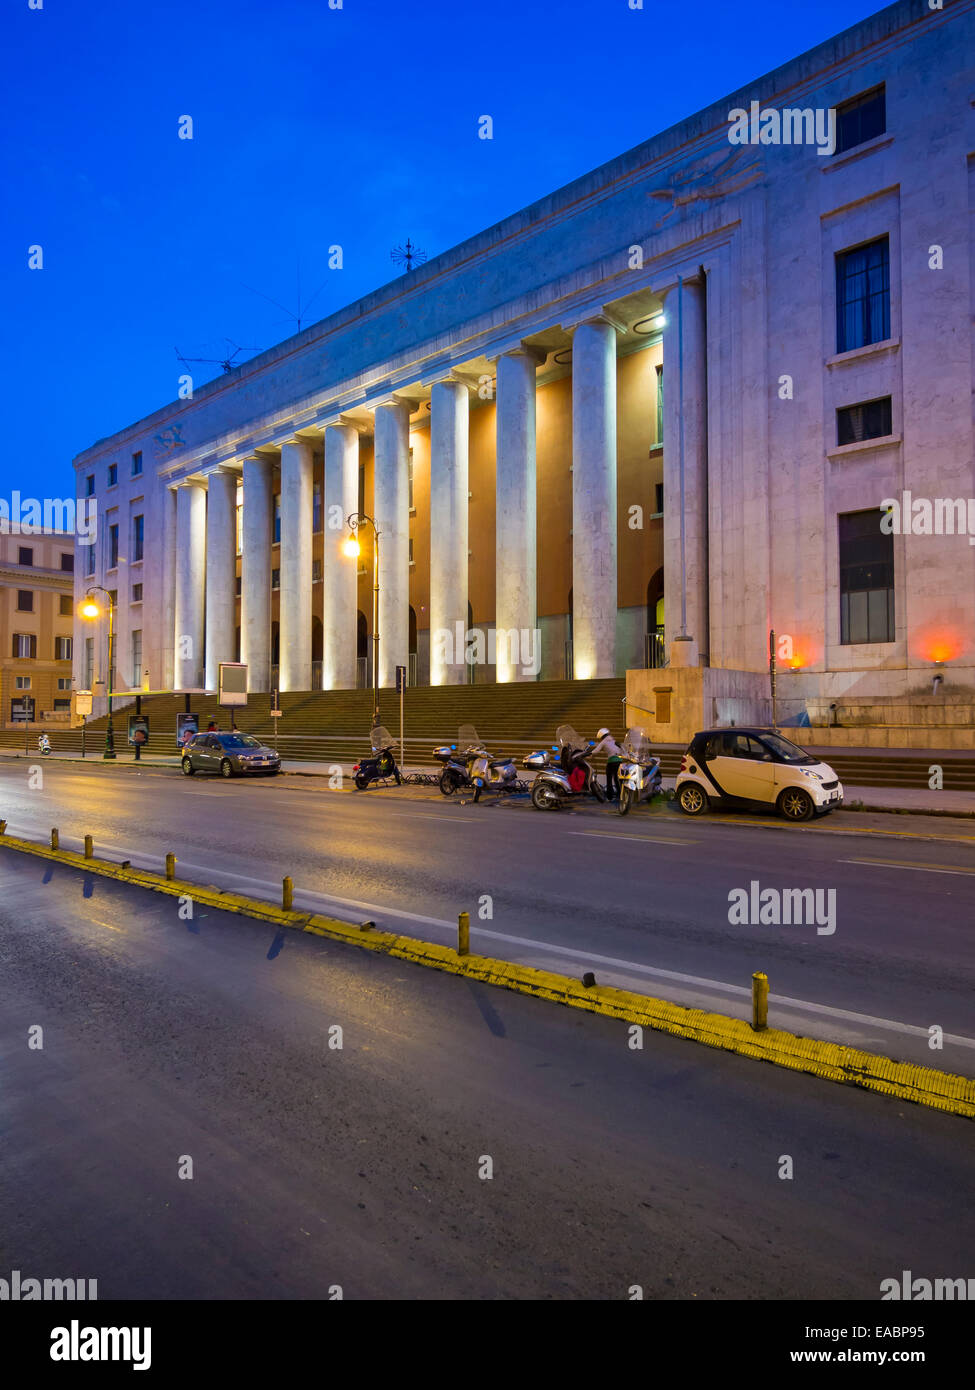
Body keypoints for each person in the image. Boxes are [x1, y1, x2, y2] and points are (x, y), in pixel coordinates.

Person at [590, 727, 625, 801]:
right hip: (620, 761)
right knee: (617, 779)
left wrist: (590, 753)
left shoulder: (604, 742)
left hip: (611, 762)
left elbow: (596, 751)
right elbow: (622, 750)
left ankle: (610, 797)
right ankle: (621, 795)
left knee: (609, 779)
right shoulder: (614, 740)